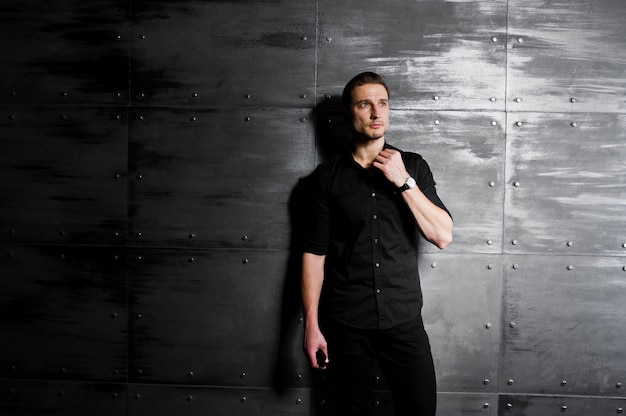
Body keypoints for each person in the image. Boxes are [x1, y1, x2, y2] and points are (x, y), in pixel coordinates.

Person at [301, 72, 453, 416]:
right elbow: (313, 256)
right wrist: (312, 326)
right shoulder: (325, 180)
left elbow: (442, 235)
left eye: (382, 103)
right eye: (365, 104)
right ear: (348, 114)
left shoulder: (412, 166)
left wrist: (404, 182)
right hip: (346, 324)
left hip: (403, 319)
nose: (376, 112)